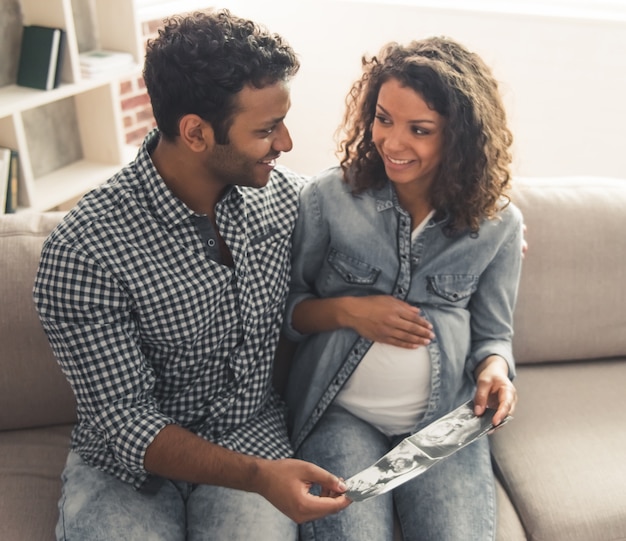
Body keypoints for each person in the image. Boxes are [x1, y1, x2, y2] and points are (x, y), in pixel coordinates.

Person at [33, 10, 349, 541]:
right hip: (125, 470)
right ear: (196, 133)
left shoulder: (288, 200)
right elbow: (127, 422)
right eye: (267, 129)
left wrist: (476, 223)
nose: (287, 143)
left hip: (252, 437)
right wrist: (258, 476)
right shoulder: (83, 251)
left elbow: (378, 216)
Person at [282, 36, 524, 540]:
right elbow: (291, 312)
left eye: (420, 130)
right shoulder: (330, 198)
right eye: (384, 118)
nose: (392, 142)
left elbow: (494, 335)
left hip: (443, 422)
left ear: (458, 137)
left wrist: (496, 371)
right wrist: (350, 311)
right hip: (340, 414)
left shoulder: (498, 224)